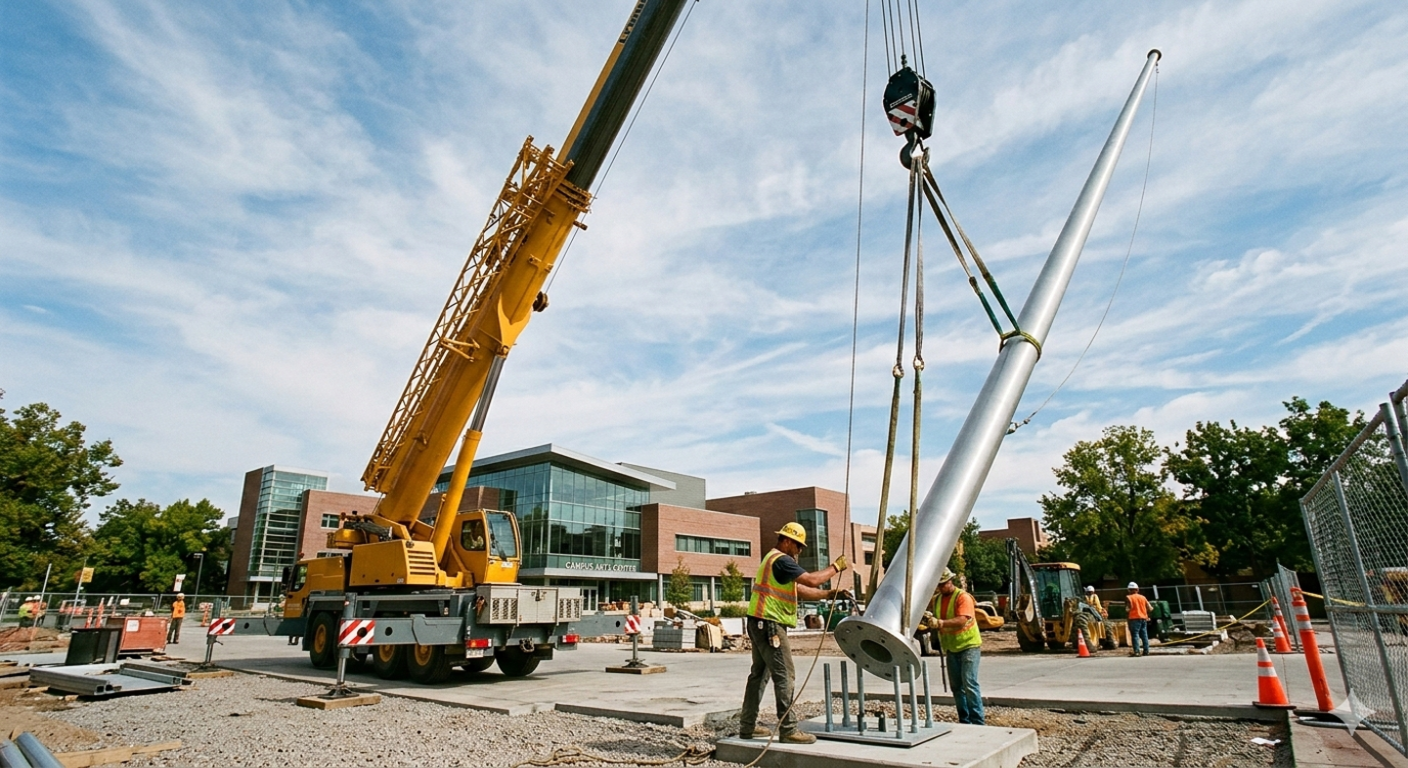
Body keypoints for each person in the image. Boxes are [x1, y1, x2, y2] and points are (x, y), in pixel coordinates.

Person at [739, 522, 849, 744]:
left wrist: (828, 594)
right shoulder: (781, 560)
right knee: (785, 675)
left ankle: (747, 727)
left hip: (759, 622)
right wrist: (835, 567)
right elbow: (811, 580)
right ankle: (788, 729)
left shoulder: (772, 560)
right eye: (798, 546)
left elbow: (799, 589)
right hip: (770, 624)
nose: (799, 551)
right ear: (787, 541)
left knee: (759, 675)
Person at [933, 568, 985, 725]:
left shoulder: (962, 597)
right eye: (938, 585)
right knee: (956, 687)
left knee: (969, 683)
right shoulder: (937, 599)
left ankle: (978, 722)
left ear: (950, 581)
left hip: (969, 645)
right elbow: (935, 617)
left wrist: (940, 623)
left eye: (943, 584)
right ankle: (965, 720)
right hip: (951, 647)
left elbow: (962, 620)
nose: (941, 587)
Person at [1125, 582, 1150, 657]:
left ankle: (1137, 652)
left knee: (1135, 635)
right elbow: (1150, 608)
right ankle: (1146, 651)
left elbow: (1127, 609)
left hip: (1134, 619)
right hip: (1143, 618)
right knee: (1144, 635)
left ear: (1129, 590)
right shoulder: (1143, 597)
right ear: (1137, 589)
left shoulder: (1129, 597)